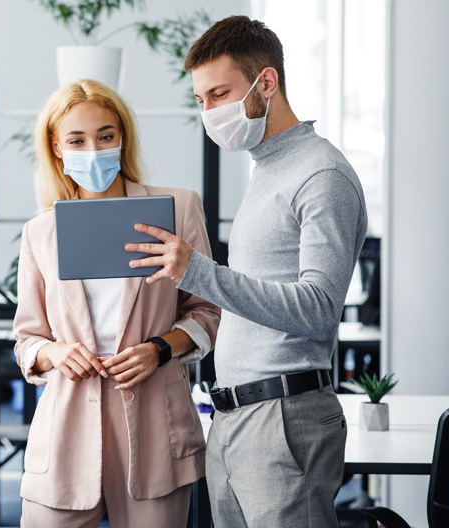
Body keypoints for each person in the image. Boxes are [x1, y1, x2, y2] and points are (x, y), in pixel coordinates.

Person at [126, 16, 368, 528]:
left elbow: (320, 308)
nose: (210, 111)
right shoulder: (269, 168)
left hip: (283, 416)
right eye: (201, 100)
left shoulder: (321, 174)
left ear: (267, 82)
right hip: (234, 418)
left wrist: (199, 273)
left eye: (220, 94)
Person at [13, 79, 221, 528]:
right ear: (56, 146)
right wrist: (55, 352)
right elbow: (27, 337)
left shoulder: (178, 209)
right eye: (77, 139)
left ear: (122, 137)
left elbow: (209, 311)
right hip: (66, 426)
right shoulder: (41, 232)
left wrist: (160, 349)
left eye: (105, 136)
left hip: (154, 427)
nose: (93, 149)